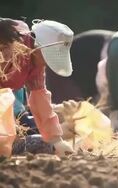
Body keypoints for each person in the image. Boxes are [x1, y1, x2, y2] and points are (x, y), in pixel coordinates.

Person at [0, 18, 74, 157]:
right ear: (37, 46)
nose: (47, 62)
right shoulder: (8, 46)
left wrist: (56, 139)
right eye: (48, 55)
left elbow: (40, 100)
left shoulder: (36, 67)